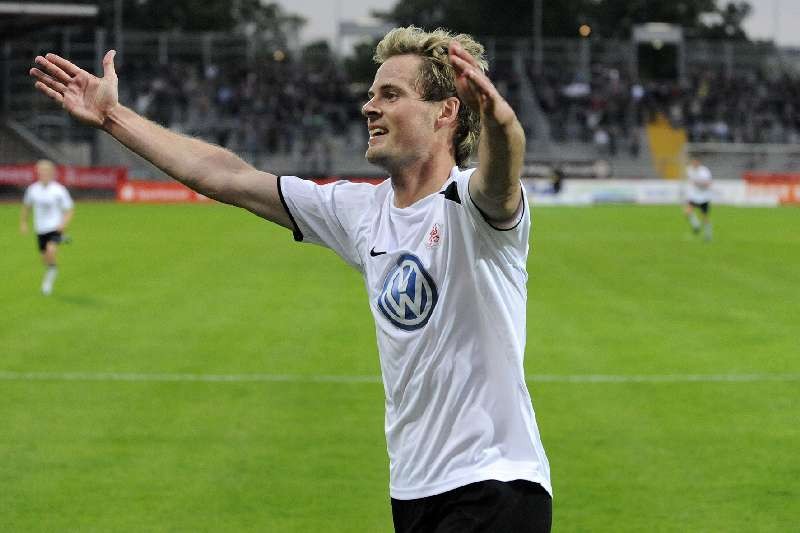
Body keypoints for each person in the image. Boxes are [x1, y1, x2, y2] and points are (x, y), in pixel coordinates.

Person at [30, 26, 552, 531]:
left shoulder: (471, 207)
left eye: (391, 95)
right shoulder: (361, 210)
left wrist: (499, 119)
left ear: (446, 112)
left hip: (497, 482)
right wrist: (114, 116)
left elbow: (501, 180)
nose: (369, 107)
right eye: (372, 94)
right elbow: (228, 177)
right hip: (415, 490)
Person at [19, 159, 74, 295]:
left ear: (52, 173)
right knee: (45, 259)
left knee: (50, 251)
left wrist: (63, 224)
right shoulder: (33, 189)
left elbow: (69, 209)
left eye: (46, 171)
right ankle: (52, 268)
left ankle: (47, 283)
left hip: (55, 227)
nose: (43, 174)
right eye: (41, 171)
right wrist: (24, 223)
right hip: (40, 228)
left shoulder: (59, 190)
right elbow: (27, 207)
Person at [684, 157, 713, 241]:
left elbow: (708, 183)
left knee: (704, 217)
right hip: (694, 196)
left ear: (699, 162)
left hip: (704, 197)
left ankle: (708, 235)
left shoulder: (704, 171)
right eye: (693, 162)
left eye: (696, 162)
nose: (694, 164)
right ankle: (696, 225)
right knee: (687, 212)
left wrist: (699, 183)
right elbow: (689, 180)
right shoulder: (689, 170)